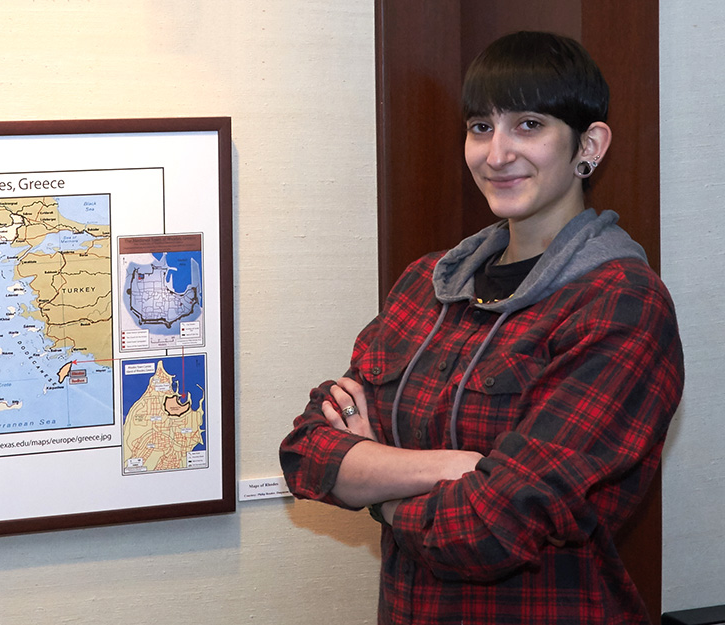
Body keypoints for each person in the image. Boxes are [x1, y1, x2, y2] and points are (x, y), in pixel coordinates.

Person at [279, 31, 684, 625]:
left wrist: (376, 479)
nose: (496, 154)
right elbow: (308, 450)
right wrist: (454, 466)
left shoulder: (620, 303)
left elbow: (489, 528)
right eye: (480, 127)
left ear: (588, 144)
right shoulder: (429, 284)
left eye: (528, 125)